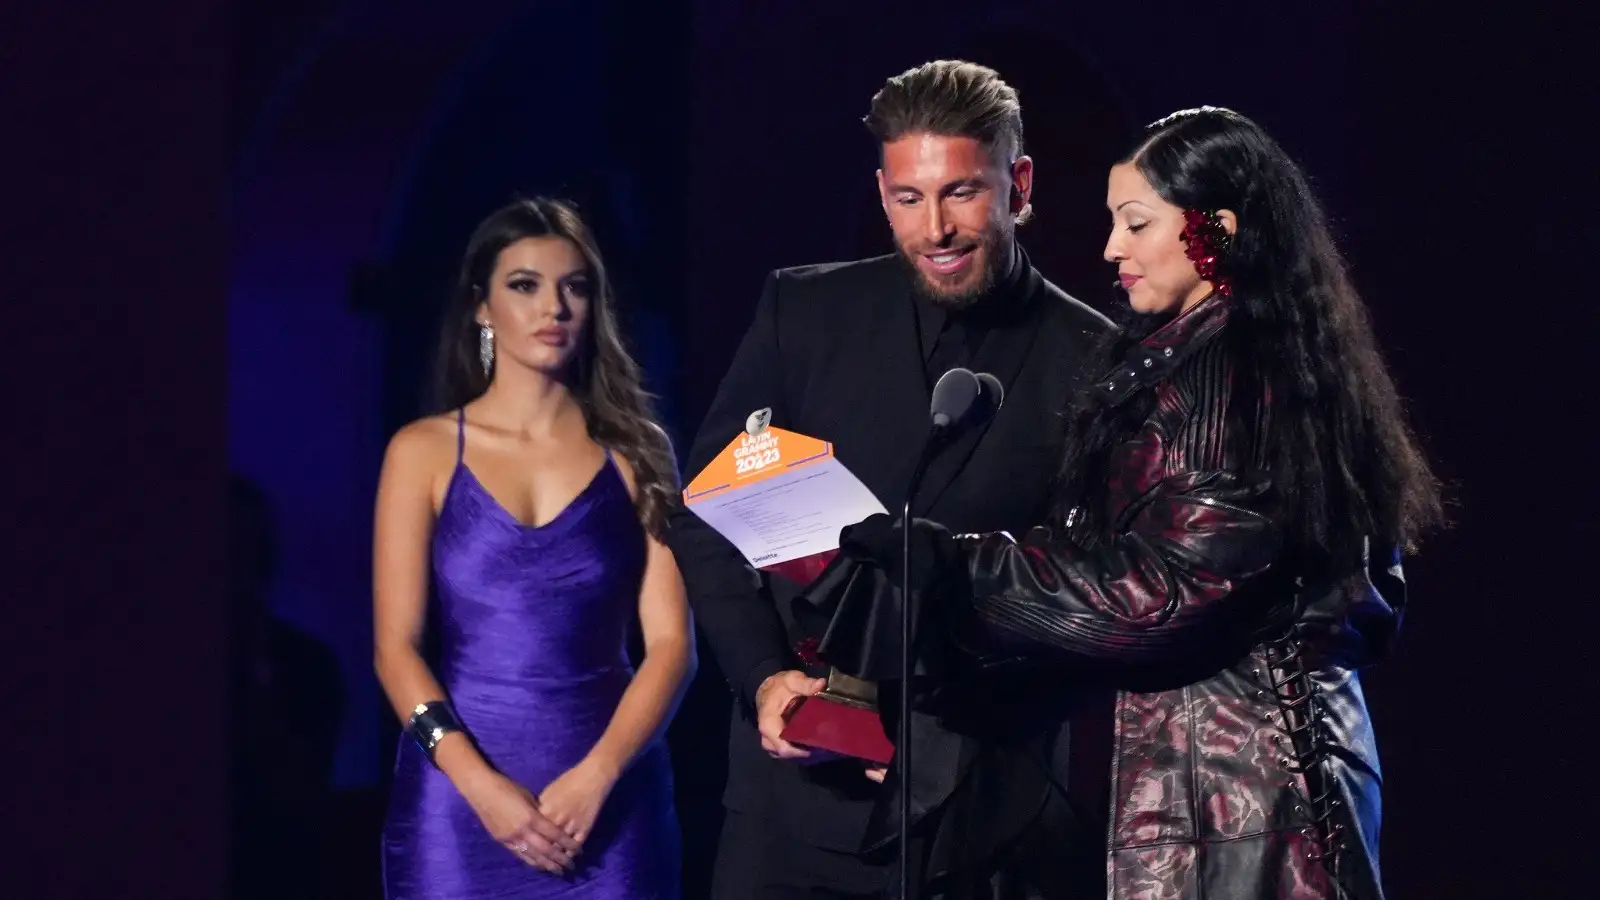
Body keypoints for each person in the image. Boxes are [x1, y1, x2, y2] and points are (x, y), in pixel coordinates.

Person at [821, 107, 1445, 899]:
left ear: (1215, 228)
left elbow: (1163, 592)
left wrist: (961, 568)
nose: (1111, 248)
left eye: (1137, 222)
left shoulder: (1232, 370)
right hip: (1242, 786)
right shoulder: (1255, 352)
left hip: (1241, 798)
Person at [665, 60, 1115, 899]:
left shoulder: (1094, 361)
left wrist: (953, 733)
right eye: (910, 198)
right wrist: (763, 676)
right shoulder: (802, 312)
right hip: (789, 816)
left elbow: (1101, 600)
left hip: (986, 825)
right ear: (882, 195)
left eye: (961, 194)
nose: (935, 229)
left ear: (1018, 185)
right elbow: (704, 515)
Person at [373, 197, 694, 899]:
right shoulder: (422, 452)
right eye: (525, 284)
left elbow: (672, 646)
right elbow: (395, 649)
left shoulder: (636, 453)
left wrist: (598, 775)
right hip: (458, 807)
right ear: (482, 307)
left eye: (574, 286)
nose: (554, 306)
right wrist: (479, 786)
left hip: (611, 805)